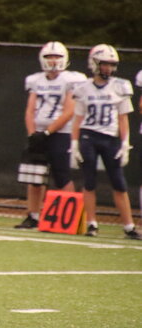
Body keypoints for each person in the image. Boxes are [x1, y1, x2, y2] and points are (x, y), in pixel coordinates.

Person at [71, 44, 140, 239]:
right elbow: (77, 118)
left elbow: (123, 118)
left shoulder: (120, 86)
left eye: (111, 65)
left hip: (110, 138)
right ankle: (92, 224)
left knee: (119, 183)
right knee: (89, 181)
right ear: (94, 64)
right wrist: (74, 143)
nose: (108, 68)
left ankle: (128, 226)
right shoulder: (83, 88)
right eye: (104, 64)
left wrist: (125, 143)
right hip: (88, 136)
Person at [15, 41, 86, 229]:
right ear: (42, 59)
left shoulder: (72, 79)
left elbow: (70, 110)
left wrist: (47, 132)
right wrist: (33, 134)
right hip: (38, 133)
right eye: (49, 57)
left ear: (65, 59)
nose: (53, 60)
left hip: (61, 133)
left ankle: (68, 220)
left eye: (57, 57)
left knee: (62, 175)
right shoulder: (35, 80)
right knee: (34, 177)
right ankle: (33, 215)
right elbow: (30, 110)